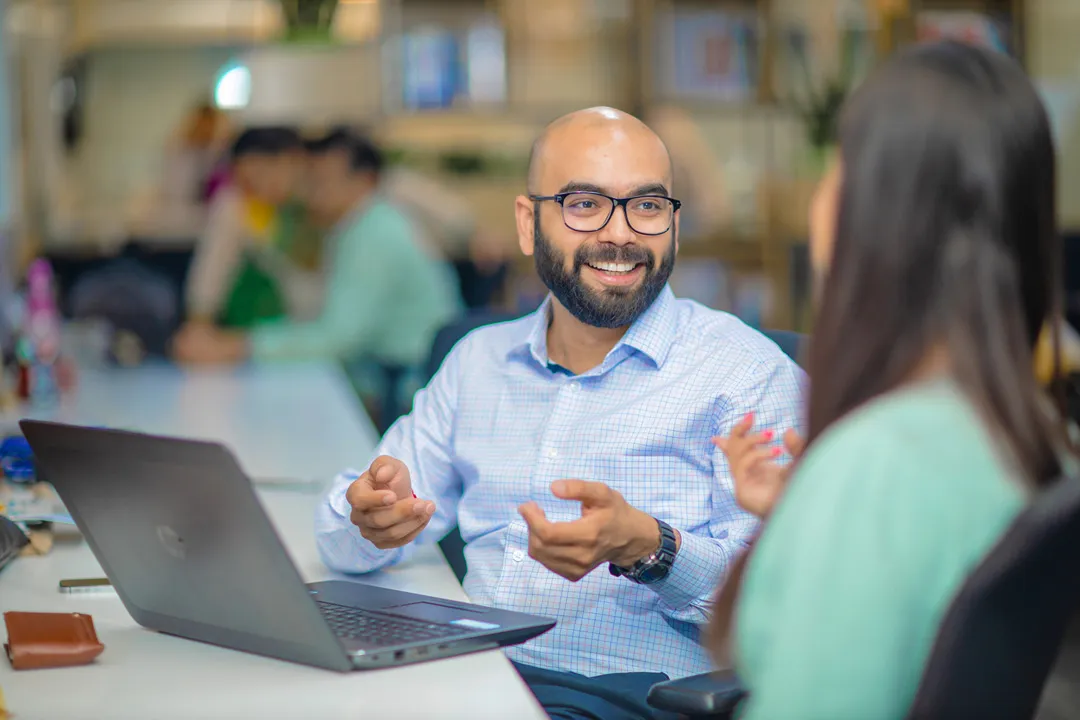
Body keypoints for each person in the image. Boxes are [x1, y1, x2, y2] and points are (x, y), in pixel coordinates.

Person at [316, 107, 804, 719]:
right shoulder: (477, 362)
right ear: (529, 224)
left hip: (626, 697)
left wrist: (649, 547)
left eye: (648, 206)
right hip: (466, 679)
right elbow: (343, 531)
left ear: (674, 224)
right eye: (584, 204)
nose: (620, 233)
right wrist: (368, 518)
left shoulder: (746, 373)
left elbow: (782, 603)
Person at [711, 41, 1072, 719]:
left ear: (874, 210)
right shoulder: (1032, 432)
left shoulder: (873, 471)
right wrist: (809, 522)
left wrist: (837, 508)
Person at [172, 129, 461, 391]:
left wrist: (238, 347)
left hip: (400, 379)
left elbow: (338, 339)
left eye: (323, 181)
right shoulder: (357, 225)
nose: (315, 191)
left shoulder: (372, 234)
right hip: (389, 369)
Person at [180, 126, 312, 330]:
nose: (257, 187)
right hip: (259, 332)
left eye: (263, 173)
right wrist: (199, 323)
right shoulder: (238, 207)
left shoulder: (310, 208)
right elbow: (211, 273)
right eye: (247, 181)